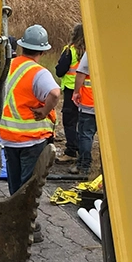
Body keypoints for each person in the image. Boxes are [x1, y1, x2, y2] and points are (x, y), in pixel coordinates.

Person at [0, 24, 60, 202]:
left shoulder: (8, 65)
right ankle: (23, 221)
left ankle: (13, 213)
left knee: (15, 182)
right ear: (42, 51)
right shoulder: (39, 73)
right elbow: (55, 93)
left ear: (22, 46)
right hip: (31, 140)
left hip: (9, 137)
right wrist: (44, 110)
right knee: (28, 184)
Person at [53, 23, 85, 166]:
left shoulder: (69, 51)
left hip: (71, 90)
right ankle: (83, 151)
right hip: (87, 91)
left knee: (69, 121)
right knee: (83, 122)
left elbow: (60, 71)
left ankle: (71, 151)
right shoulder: (90, 51)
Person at [72, 50, 96, 178]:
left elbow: (81, 73)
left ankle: (84, 165)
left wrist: (76, 92)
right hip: (108, 104)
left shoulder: (92, 50)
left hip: (89, 101)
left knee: (85, 134)